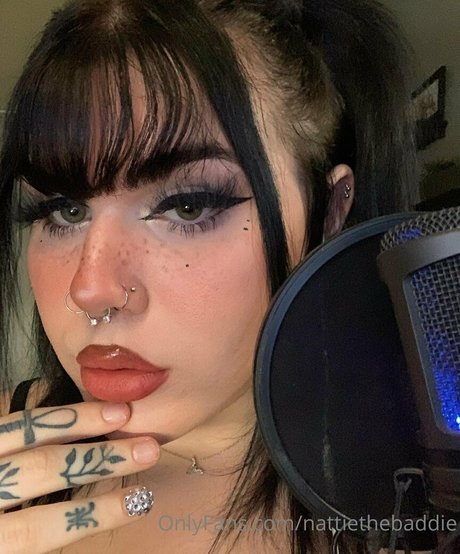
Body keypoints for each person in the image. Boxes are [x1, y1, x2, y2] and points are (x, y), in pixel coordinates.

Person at [0, 0, 418, 552]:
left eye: (188, 206)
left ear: (330, 211)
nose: (91, 289)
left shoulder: (416, 501)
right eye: (65, 210)